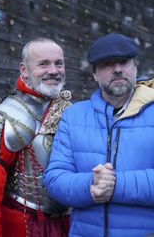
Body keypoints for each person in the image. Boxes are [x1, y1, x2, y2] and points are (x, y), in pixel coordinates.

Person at [44, 33, 154, 237]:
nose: (118, 69)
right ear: (94, 74)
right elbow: (55, 179)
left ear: (135, 67)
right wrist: (91, 186)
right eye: (107, 64)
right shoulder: (73, 115)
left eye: (124, 62)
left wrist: (116, 185)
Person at [0, 38, 72, 237]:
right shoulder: (3, 118)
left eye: (59, 63)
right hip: (23, 227)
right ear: (24, 70)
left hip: (67, 225)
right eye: (43, 64)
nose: (53, 70)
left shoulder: (71, 112)